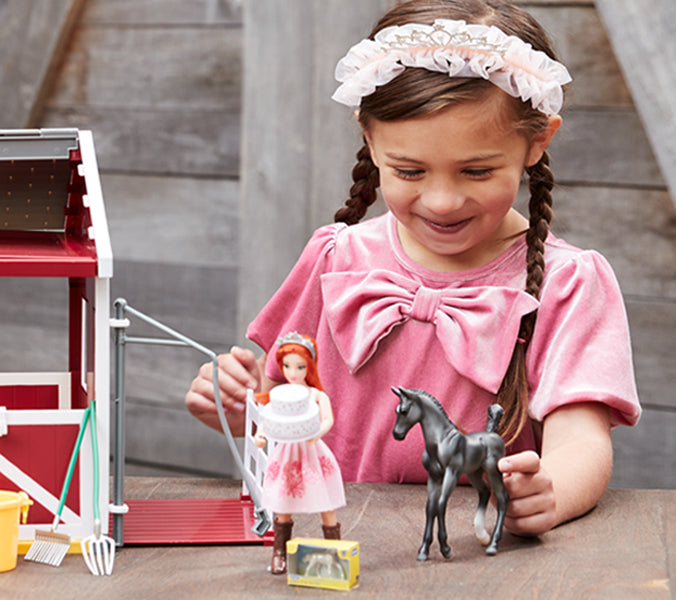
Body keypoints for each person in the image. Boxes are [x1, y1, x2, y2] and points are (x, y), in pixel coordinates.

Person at [186, 0, 641, 538]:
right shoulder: (336, 260)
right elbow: (286, 404)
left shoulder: (569, 285)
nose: (442, 200)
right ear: (370, 139)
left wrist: (552, 491)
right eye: (409, 170)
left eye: (476, 170)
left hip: (477, 560)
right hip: (334, 546)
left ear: (537, 141)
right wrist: (242, 408)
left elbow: (582, 440)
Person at [253, 332, 345, 574]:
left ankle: (334, 551)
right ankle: (279, 552)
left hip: (312, 450)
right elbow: (268, 416)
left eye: (299, 367)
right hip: (287, 453)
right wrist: (260, 435)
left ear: (309, 367)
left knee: (325, 501)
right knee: (284, 500)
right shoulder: (282, 394)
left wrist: (317, 432)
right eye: (287, 366)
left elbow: (328, 420)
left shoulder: (316, 395)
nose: (292, 373)